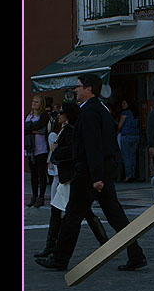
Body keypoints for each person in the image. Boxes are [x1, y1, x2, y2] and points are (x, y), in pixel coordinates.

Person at [36, 73, 147, 272]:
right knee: (115, 215)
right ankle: (136, 254)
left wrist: (96, 177)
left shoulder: (90, 112)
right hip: (98, 172)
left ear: (89, 89)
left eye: (78, 86)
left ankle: (60, 258)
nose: (75, 90)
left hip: (89, 173)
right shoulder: (97, 109)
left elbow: (94, 147)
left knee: (72, 216)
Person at [34, 102, 109, 258]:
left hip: (71, 177)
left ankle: (54, 247)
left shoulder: (70, 131)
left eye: (61, 113)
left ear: (67, 115)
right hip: (68, 177)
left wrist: (56, 150)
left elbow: (72, 152)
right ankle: (51, 245)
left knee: (79, 212)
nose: (58, 115)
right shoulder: (69, 129)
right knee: (64, 210)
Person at [25, 94, 50, 207]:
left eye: (37, 102)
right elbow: (25, 129)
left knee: (41, 174)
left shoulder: (44, 116)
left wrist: (29, 128)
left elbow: (39, 126)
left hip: (41, 149)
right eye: (33, 101)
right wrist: (32, 130)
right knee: (33, 174)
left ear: (41, 104)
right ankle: (34, 196)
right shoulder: (28, 116)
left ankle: (41, 197)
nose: (34, 103)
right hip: (30, 149)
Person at [117, 98, 140, 182]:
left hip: (127, 136)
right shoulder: (136, 113)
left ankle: (128, 176)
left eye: (124, 103)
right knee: (133, 156)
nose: (122, 105)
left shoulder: (125, 113)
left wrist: (117, 132)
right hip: (136, 135)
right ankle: (133, 174)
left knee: (126, 156)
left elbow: (120, 125)